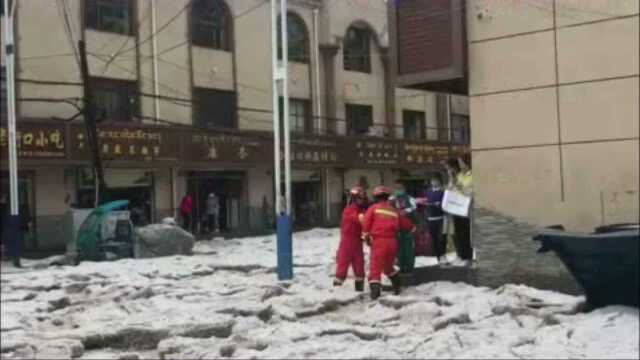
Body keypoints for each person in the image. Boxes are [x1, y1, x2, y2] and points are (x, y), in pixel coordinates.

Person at [362, 185, 416, 300]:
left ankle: (375, 294)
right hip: (392, 242)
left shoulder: (373, 208)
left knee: (375, 267)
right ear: (387, 197)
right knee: (388, 267)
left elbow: (366, 223)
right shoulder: (394, 211)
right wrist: (413, 229)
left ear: (375, 197)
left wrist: (366, 235)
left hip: (379, 242)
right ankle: (398, 285)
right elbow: (407, 224)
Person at [334, 186, 368, 291]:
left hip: (357, 241)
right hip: (347, 241)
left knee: (359, 266)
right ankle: (336, 290)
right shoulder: (350, 209)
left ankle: (359, 290)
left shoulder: (361, 209)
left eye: (362, 198)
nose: (361, 200)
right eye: (359, 198)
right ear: (354, 198)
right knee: (342, 266)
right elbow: (359, 220)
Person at [391, 182, 418, 279]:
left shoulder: (410, 199)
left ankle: (409, 267)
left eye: (400, 188)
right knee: (399, 249)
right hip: (396, 228)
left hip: (408, 227)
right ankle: (401, 267)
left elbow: (415, 211)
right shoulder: (391, 199)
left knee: (408, 248)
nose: (398, 190)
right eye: (396, 188)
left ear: (404, 189)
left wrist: (406, 211)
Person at [452, 154, 474, 267]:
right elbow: (454, 187)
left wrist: (463, 190)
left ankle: (468, 257)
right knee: (458, 232)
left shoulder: (473, 175)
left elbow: (473, 191)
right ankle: (462, 255)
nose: (460, 165)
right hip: (457, 207)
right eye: (459, 163)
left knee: (466, 233)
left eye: (462, 163)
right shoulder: (459, 175)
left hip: (468, 207)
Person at [425, 174, 447, 265]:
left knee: (441, 238)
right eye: (432, 180)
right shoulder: (428, 191)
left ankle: (443, 255)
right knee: (434, 238)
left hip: (441, 217)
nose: (434, 182)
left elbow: (445, 203)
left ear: (439, 181)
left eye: (436, 180)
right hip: (430, 218)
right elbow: (427, 201)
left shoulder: (443, 192)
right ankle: (437, 256)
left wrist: (440, 204)